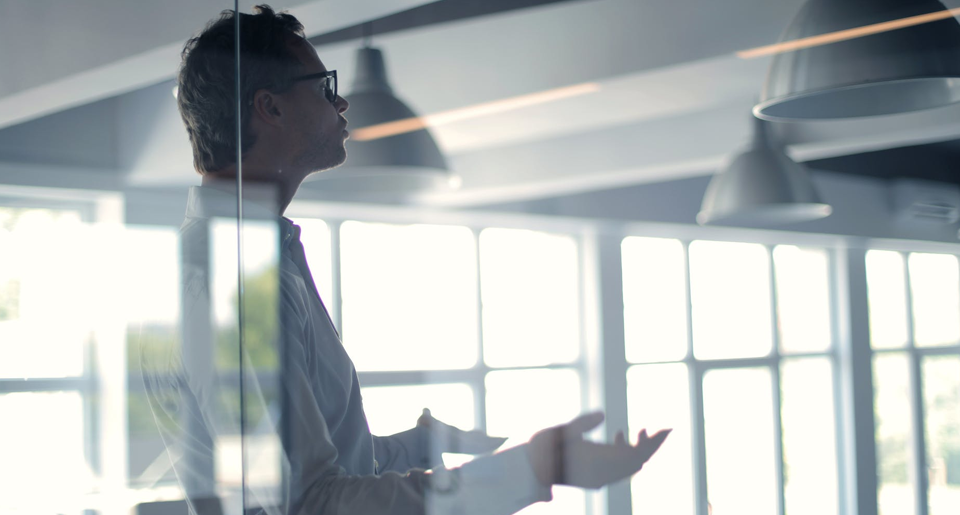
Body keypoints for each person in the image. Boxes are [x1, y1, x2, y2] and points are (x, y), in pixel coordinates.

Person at [142, 5, 670, 515]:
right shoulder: (229, 284)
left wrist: (420, 445)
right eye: (324, 86)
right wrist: (534, 468)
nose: (341, 102)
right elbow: (310, 505)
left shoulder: (244, 262)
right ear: (271, 107)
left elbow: (312, 474)